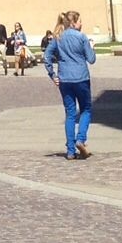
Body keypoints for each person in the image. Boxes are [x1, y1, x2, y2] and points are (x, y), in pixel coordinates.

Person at [46, 9, 97, 159]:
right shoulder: (81, 37)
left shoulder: (58, 37)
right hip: (81, 77)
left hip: (64, 79)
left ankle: (70, 150)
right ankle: (80, 139)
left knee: (70, 113)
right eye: (80, 21)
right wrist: (91, 47)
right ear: (73, 23)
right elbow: (91, 59)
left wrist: (52, 74)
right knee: (86, 109)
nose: (82, 24)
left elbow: (47, 56)